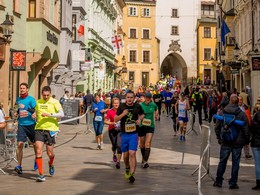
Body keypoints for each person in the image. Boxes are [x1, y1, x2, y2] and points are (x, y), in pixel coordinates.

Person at [213, 95, 249, 189]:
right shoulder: (242, 114)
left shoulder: (223, 112)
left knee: (222, 161)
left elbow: (217, 127)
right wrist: (246, 140)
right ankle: (233, 183)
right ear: (238, 103)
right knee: (235, 163)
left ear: (230, 102)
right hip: (238, 142)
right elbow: (246, 129)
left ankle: (218, 181)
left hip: (225, 140)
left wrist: (219, 138)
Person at [34, 86, 64, 182]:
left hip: (51, 129)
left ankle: (51, 163)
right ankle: (41, 174)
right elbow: (35, 112)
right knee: (38, 151)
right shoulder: (38, 102)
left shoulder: (55, 102)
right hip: (39, 129)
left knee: (50, 153)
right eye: (44, 95)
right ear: (41, 94)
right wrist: (33, 114)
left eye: (47, 95)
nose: (46, 97)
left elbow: (61, 114)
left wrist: (50, 115)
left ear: (50, 94)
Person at [114, 90, 144, 183]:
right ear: (125, 98)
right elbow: (115, 119)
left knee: (132, 153)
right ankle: (127, 168)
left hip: (134, 134)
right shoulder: (122, 107)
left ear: (134, 98)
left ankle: (131, 174)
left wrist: (139, 119)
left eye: (131, 97)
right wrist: (123, 114)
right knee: (126, 156)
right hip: (124, 134)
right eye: (128, 97)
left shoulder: (137, 106)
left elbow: (142, 114)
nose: (130, 99)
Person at [14, 83, 37, 174]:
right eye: (21, 88)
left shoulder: (31, 99)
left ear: (27, 89)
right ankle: (19, 166)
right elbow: (18, 109)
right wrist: (17, 112)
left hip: (31, 124)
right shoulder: (18, 99)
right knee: (20, 144)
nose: (22, 90)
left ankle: (36, 159)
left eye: (24, 88)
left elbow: (35, 110)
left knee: (35, 144)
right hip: (21, 124)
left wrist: (27, 108)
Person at [139, 93, 158, 168]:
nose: (148, 99)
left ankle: (145, 161)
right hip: (142, 126)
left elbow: (156, 109)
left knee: (148, 143)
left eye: (149, 98)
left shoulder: (153, 105)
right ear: (145, 98)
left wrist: (156, 115)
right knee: (142, 144)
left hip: (150, 126)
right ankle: (144, 159)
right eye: (147, 98)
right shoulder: (140, 105)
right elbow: (137, 113)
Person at [104, 98, 122, 169]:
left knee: (119, 145)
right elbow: (105, 121)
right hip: (112, 130)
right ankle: (114, 153)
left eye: (117, 103)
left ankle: (118, 162)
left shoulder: (122, 111)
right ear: (112, 104)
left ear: (119, 104)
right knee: (114, 145)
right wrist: (112, 123)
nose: (116, 104)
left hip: (120, 130)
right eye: (115, 103)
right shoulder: (110, 111)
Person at [251, 104, 260, 190]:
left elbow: (252, 129)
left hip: (256, 143)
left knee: (258, 164)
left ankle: (258, 182)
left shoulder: (256, 115)